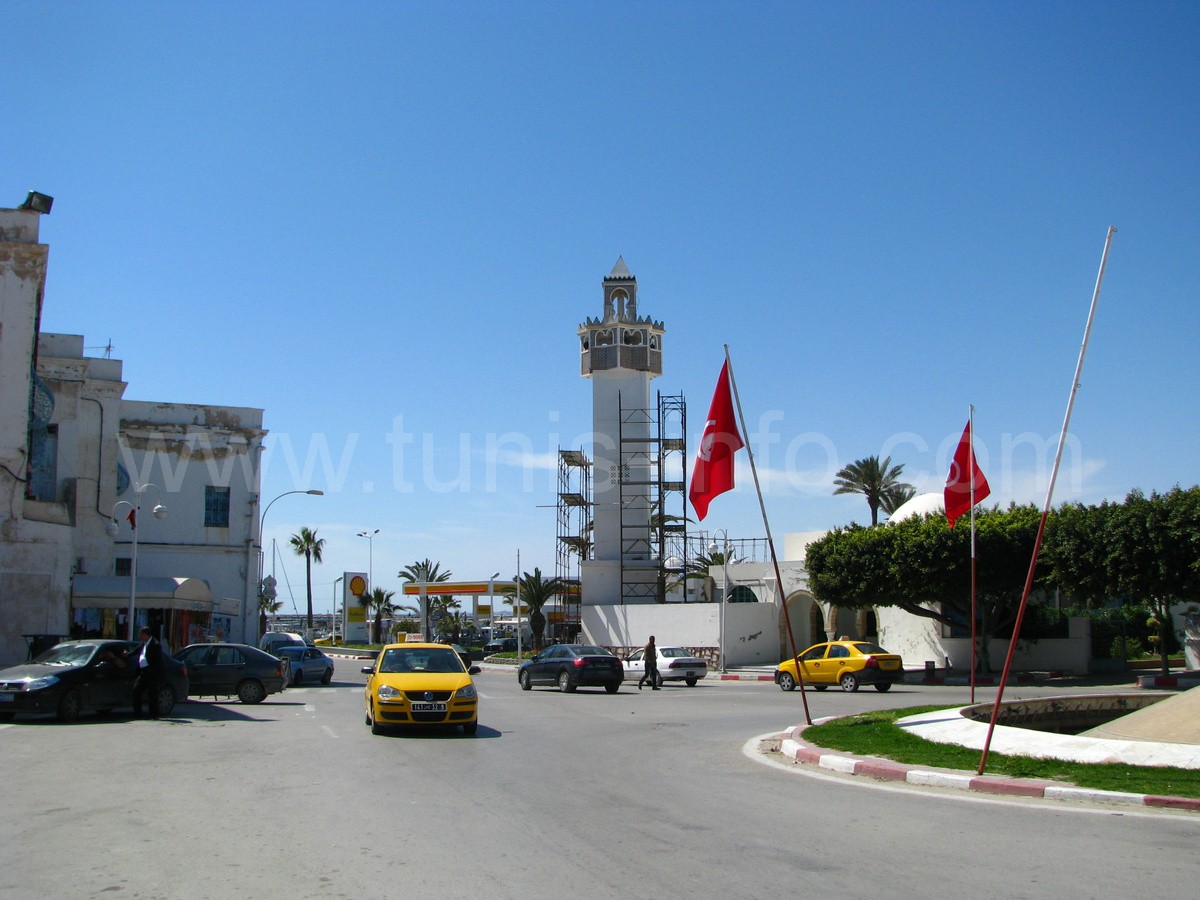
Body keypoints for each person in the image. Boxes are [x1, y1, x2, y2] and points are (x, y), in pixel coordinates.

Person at [132, 626, 164, 719]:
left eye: (141, 634)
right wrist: (127, 654)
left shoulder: (155, 644)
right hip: (143, 672)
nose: (139, 636)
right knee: (136, 690)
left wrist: (152, 672)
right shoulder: (143, 643)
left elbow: (157, 661)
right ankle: (138, 713)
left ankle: (153, 714)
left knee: (152, 694)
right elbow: (136, 651)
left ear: (146, 634)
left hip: (152, 673)